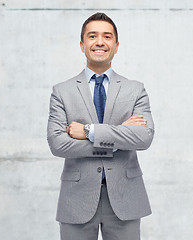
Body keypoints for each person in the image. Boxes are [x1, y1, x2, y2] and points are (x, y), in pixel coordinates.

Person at [47, 12, 154, 240]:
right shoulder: (62, 92)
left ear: (116, 45)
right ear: (82, 44)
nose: (99, 42)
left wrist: (88, 132)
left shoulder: (135, 90)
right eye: (92, 36)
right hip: (77, 198)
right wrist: (118, 139)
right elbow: (58, 144)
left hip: (125, 197)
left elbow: (144, 137)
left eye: (107, 37)